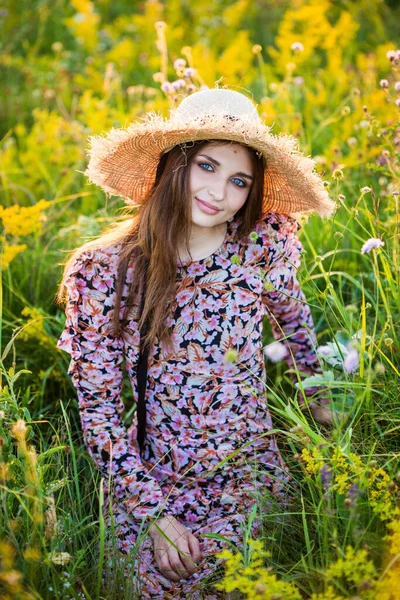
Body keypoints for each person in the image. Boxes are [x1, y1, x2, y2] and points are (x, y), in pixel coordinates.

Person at [56, 88, 335, 599]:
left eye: (238, 181)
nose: (218, 191)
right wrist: (157, 518)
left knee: (242, 583)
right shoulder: (105, 274)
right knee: (155, 586)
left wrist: (314, 395)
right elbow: (98, 413)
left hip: (247, 473)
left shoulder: (260, 247)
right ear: (173, 164)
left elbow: (293, 317)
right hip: (152, 479)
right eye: (206, 165)